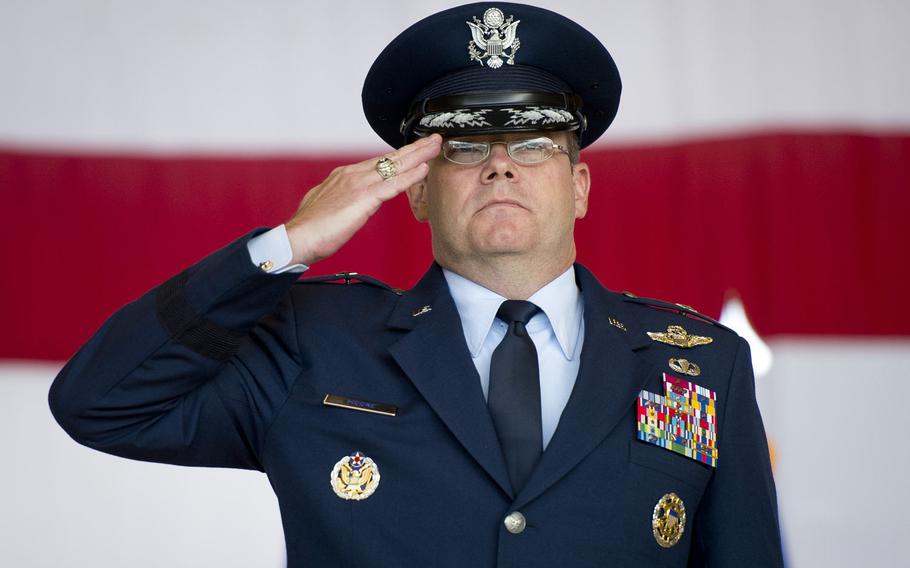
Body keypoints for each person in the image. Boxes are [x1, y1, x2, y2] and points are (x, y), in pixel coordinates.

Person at [49, 2, 783, 566]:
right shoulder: (315, 342)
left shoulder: (700, 362)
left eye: (532, 144)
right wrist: (287, 243)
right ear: (417, 192)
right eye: (464, 149)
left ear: (580, 185)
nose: (501, 167)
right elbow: (100, 403)